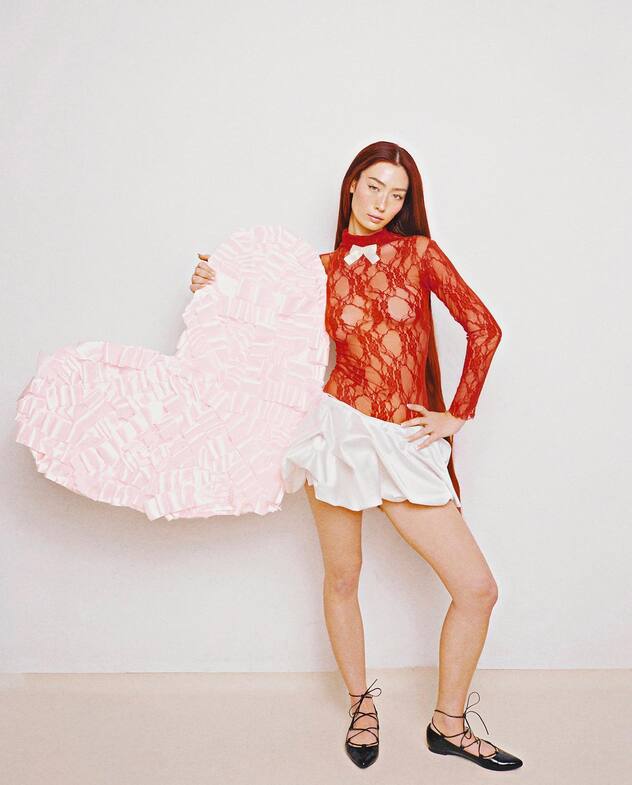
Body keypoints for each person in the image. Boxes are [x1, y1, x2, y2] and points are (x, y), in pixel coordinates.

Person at [190, 140, 522, 772]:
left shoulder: (419, 254)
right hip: (337, 432)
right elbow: (257, 322)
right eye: (374, 187)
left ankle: (448, 724)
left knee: (476, 589)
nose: (382, 203)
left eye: (397, 194)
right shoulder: (316, 270)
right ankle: (360, 707)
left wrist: (458, 413)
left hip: (403, 439)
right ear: (351, 185)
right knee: (343, 578)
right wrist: (214, 287)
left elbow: (484, 328)